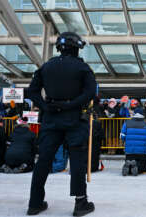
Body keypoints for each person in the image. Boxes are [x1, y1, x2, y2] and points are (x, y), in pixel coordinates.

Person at [25, 32, 96, 216]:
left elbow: (32, 91)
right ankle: (80, 203)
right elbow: (90, 93)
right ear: (76, 48)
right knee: (77, 160)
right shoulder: (82, 68)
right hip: (74, 119)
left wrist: (45, 107)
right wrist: (70, 104)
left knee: (44, 160)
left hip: (51, 119)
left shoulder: (46, 67)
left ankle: (35, 203)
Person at [120, 109, 146, 176]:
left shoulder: (127, 123)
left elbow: (122, 136)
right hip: (143, 151)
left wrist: (125, 141)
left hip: (130, 150)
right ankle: (137, 168)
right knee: (143, 168)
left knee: (130, 159)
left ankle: (128, 167)